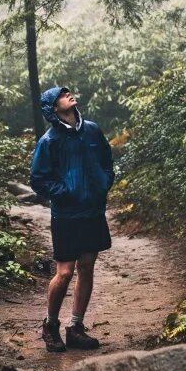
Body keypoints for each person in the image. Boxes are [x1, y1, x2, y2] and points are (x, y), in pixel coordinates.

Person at [30, 86, 114, 352]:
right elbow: (38, 179)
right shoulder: (49, 141)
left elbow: (106, 161)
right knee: (64, 273)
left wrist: (103, 183)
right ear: (54, 109)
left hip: (93, 211)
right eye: (62, 96)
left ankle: (76, 328)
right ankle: (50, 325)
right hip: (66, 215)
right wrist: (65, 193)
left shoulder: (92, 130)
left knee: (87, 265)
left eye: (68, 93)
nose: (69, 96)